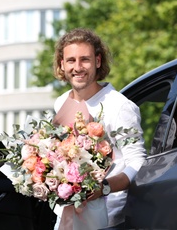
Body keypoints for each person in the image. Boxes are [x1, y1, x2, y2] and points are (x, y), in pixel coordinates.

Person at [51, 28, 147, 229]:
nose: (78, 67)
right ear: (62, 64)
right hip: (67, 217)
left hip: (108, 219)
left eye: (85, 59)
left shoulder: (119, 106)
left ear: (98, 61)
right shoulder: (60, 102)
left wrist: (104, 188)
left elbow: (138, 162)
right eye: (71, 60)